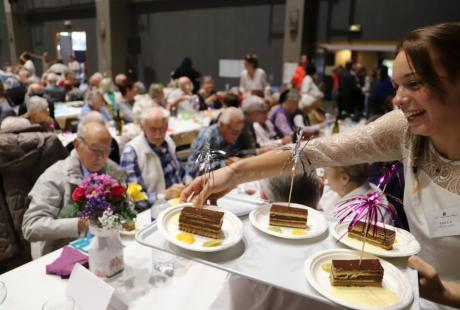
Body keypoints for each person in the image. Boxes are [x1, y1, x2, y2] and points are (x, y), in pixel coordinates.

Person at [182, 22, 460, 309]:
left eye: (414, 83)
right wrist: (233, 173)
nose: (399, 100)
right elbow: (314, 152)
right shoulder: (406, 130)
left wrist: (448, 294)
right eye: (396, 86)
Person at [22, 121, 126, 258]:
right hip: (63, 254)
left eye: (107, 150)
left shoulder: (113, 171)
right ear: (77, 144)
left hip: (107, 247)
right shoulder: (55, 176)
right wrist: (79, 224)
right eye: (95, 149)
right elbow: (31, 226)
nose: (101, 157)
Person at [121, 107, 187, 208]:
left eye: (162, 128)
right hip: (155, 210)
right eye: (153, 129)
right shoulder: (131, 153)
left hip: (179, 201)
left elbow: (181, 171)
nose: (158, 134)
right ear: (142, 127)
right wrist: (165, 195)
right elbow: (135, 198)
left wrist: (187, 183)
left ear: (167, 126)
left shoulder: (168, 141)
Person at [186, 107, 245, 178]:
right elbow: (196, 170)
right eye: (234, 132)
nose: (237, 136)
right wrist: (224, 163)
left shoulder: (228, 134)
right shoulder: (207, 138)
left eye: (239, 132)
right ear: (222, 125)